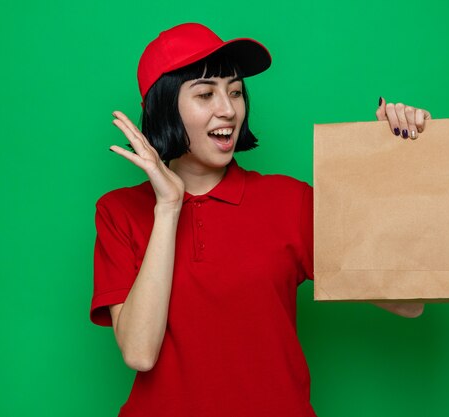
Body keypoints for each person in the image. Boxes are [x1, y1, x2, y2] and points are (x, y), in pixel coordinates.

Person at [90, 22, 430, 417]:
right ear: (164, 107)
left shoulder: (289, 201)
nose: (228, 109)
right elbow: (139, 352)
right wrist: (168, 207)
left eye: (235, 91)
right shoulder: (119, 212)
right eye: (205, 94)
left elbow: (410, 303)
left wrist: (398, 160)